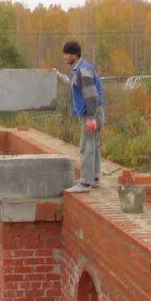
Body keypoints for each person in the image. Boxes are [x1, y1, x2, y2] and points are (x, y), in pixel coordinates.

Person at [54, 40, 105, 192]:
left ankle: (85, 183)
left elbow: (91, 95)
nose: (64, 57)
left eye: (66, 54)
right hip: (93, 111)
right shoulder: (80, 69)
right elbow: (73, 83)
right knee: (93, 145)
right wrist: (58, 75)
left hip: (92, 112)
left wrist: (90, 117)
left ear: (74, 55)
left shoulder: (83, 70)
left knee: (86, 146)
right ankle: (94, 178)